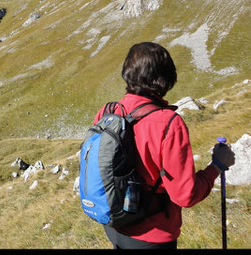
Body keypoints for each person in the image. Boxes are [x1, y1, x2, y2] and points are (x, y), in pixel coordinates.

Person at [93, 42, 235, 249]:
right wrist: (216, 167)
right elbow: (186, 195)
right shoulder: (168, 123)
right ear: (165, 79)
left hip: (114, 224)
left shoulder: (108, 111)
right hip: (152, 235)